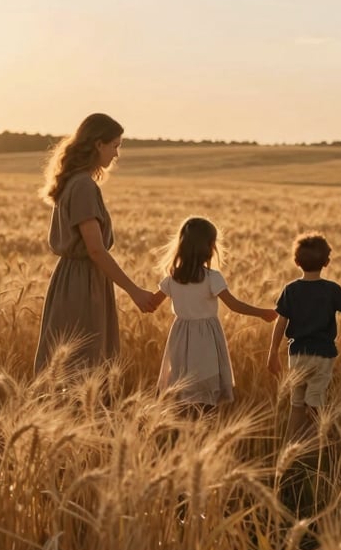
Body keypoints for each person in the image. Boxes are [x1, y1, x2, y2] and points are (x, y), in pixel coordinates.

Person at [34, 113, 157, 373]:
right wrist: (134, 290)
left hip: (74, 280)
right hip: (83, 283)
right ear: (98, 145)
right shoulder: (83, 187)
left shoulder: (73, 183)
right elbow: (95, 250)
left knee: (72, 362)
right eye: (115, 145)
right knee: (83, 364)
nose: (116, 154)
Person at [154, 217, 276, 409]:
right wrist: (262, 313)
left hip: (180, 338)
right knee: (205, 392)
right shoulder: (212, 278)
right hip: (205, 339)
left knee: (181, 390)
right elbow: (234, 305)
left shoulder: (172, 279)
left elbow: (152, 303)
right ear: (210, 247)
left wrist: (133, 293)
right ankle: (203, 430)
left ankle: (183, 432)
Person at [268, 233, 341, 440]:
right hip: (323, 355)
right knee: (316, 402)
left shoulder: (290, 290)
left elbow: (281, 323)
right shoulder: (331, 290)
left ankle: (292, 446)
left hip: (297, 354)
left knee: (297, 403)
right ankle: (321, 444)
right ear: (327, 262)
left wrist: (272, 352)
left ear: (296, 262)